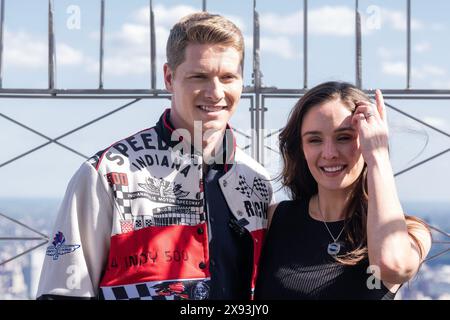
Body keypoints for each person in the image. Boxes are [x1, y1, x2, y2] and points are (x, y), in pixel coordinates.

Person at [37, 12, 274, 300]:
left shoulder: (257, 180)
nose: (215, 92)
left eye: (228, 77)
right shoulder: (108, 173)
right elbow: (63, 294)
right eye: (199, 76)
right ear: (169, 78)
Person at [255, 81, 431, 300]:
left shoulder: (411, 233)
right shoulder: (275, 219)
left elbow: (391, 265)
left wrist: (378, 156)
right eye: (315, 140)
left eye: (344, 137)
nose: (329, 153)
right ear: (301, 148)